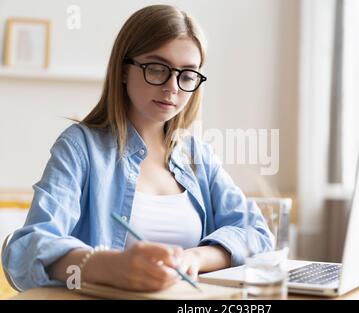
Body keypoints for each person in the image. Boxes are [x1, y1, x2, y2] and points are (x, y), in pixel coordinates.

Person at [1, 4, 272, 292]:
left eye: (188, 75)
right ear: (123, 70)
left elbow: (258, 235)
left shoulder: (197, 155)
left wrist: (194, 257)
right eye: (156, 68)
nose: (172, 87)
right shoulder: (81, 147)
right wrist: (110, 266)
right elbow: (25, 251)